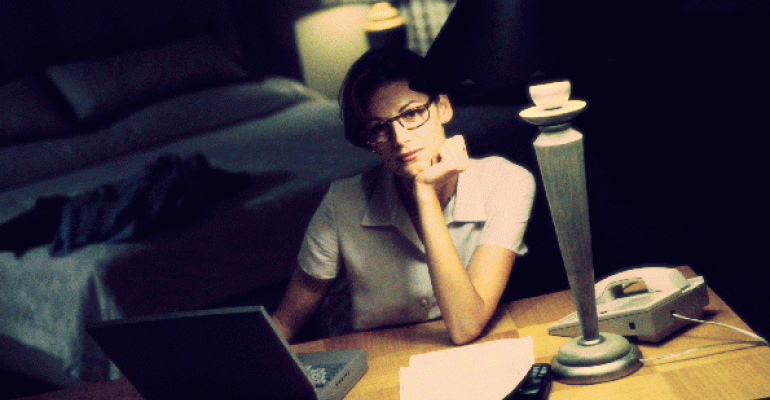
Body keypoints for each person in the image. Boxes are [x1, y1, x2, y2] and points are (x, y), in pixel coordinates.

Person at [272, 47, 535, 345]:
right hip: (382, 367)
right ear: (369, 141)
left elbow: (465, 325)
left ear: (444, 107)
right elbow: (284, 324)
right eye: (379, 129)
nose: (400, 138)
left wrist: (424, 193)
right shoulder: (341, 203)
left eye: (411, 114)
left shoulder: (507, 181)